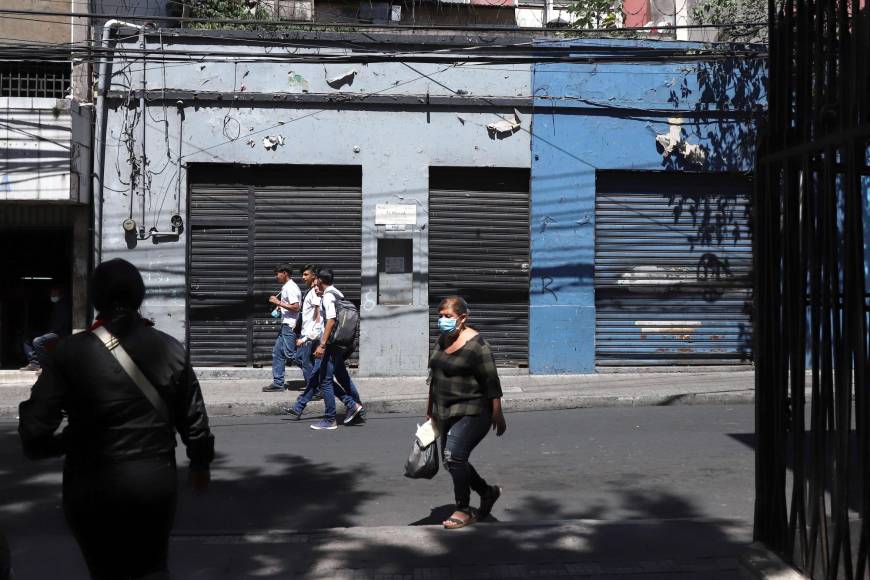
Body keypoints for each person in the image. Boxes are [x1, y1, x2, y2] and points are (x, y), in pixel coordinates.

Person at [18, 258, 214, 579]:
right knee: (152, 568)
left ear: (95, 298)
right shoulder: (170, 348)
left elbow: (34, 434)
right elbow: (194, 419)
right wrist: (200, 465)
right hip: (154, 482)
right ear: (139, 296)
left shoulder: (68, 352)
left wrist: (70, 441)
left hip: (91, 484)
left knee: (104, 571)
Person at [426, 296, 506, 530]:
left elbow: (491, 381)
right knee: (451, 461)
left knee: (454, 457)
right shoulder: (441, 340)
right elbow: (434, 377)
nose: (442, 320)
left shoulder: (477, 346)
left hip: (474, 410)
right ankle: (487, 492)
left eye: (448, 316)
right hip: (445, 410)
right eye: (440, 316)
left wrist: (497, 413)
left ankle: (463, 509)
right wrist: (430, 409)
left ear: (462, 318)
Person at [285, 267, 364, 430]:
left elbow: (331, 320)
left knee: (325, 381)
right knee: (334, 378)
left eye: (316, 280)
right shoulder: (336, 294)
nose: (314, 283)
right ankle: (354, 406)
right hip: (337, 343)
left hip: (330, 344)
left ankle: (331, 418)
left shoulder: (328, 296)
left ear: (320, 280)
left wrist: (322, 344)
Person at [263, 263, 302, 392]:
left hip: (290, 326)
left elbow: (296, 307)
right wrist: (280, 307)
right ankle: (278, 383)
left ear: (285, 273)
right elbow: (290, 306)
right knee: (277, 353)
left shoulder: (290, 288)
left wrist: (278, 302)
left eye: (277, 273)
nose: (276, 276)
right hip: (285, 325)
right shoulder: (286, 287)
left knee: (292, 356)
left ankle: (318, 380)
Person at [20, 285, 71, 372]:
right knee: (27, 337)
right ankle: (34, 363)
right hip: (52, 331)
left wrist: (49, 332)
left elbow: (62, 323)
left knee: (37, 341)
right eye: (51, 293)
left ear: (60, 293)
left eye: (54, 293)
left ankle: (45, 367)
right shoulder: (55, 305)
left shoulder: (63, 305)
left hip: (59, 333)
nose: (52, 295)